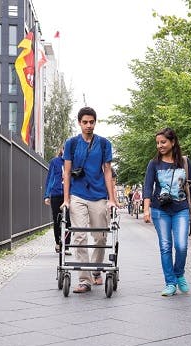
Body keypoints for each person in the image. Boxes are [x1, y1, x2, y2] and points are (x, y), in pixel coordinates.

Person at [62, 106, 116, 293]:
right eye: (85, 122)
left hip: (99, 194)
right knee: (79, 235)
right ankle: (84, 279)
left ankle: (95, 269)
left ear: (95, 122)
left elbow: (107, 171)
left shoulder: (103, 144)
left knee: (101, 236)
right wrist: (66, 199)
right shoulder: (71, 143)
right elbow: (67, 172)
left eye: (91, 122)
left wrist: (112, 199)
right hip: (77, 194)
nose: (88, 125)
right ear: (79, 123)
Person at [143, 127, 191, 297]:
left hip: (181, 208)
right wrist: (146, 209)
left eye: (163, 142)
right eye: (158, 143)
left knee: (181, 245)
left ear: (173, 142)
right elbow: (147, 187)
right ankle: (170, 282)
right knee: (166, 246)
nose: (160, 145)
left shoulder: (184, 162)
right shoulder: (154, 164)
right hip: (160, 210)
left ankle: (179, 273)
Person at [44, 146, 71, 255]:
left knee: (68, 220)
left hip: (69, 195)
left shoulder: (72, 162)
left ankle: (67, 246)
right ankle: (58, 243)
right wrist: (47, 195)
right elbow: (50, 178)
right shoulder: (55, 162)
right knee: (57, 219)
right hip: (56, 193)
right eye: (65, 150)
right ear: (62, 150)